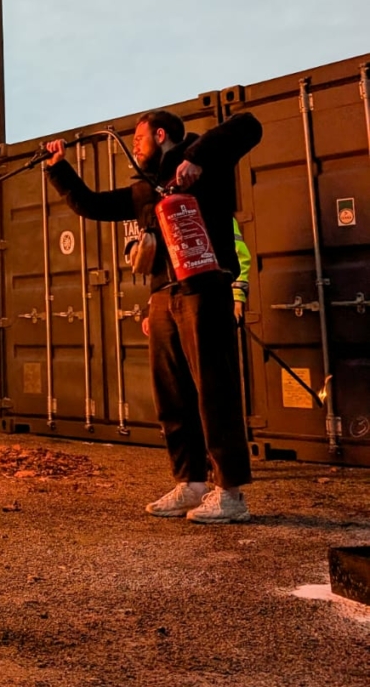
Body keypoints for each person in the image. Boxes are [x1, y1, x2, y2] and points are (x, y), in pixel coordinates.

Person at [43, 109, 262, 524]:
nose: (135, 145)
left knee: (214, 390)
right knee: (172, 395)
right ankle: (191, 483)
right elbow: (91, 205)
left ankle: (230, 493)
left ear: (161, 135)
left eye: (139, 138)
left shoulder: (207, 165)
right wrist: (59, 168)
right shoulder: (145, 189)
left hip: (205, 289)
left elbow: (249, 125)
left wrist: (195, 157)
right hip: (163, 297)